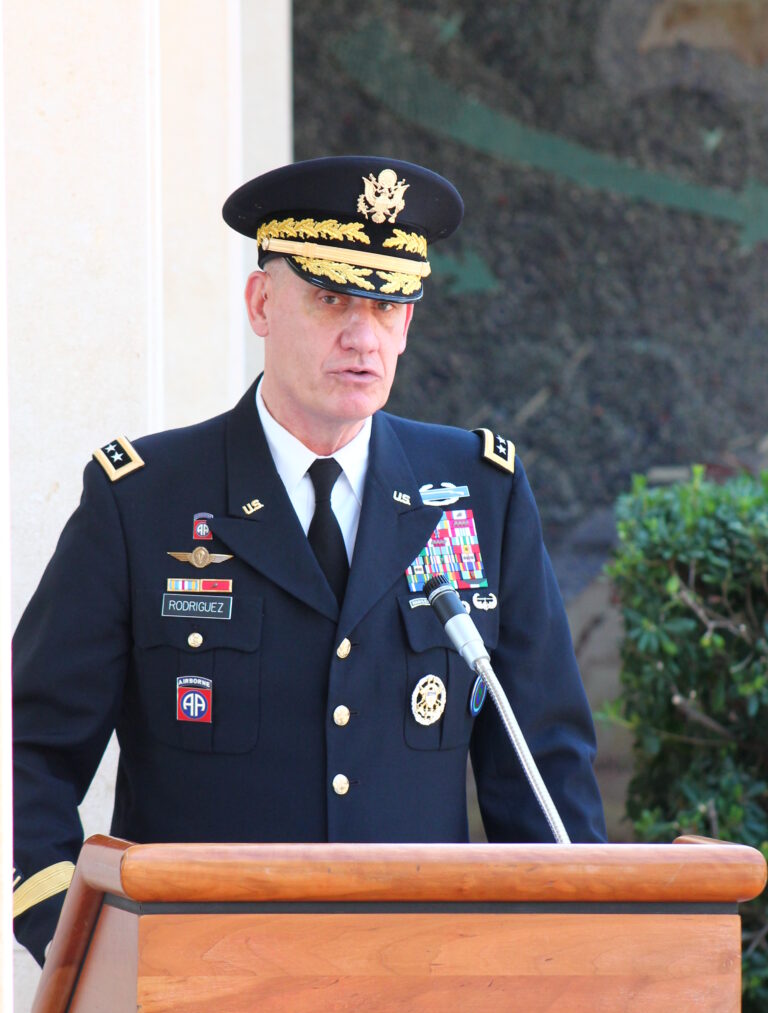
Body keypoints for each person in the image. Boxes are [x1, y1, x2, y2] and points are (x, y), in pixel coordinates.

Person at [12, 155, 606, 966]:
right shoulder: (143, 501)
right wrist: (73, 936)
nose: (362, 335)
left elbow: (540, 757)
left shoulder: (476, 493)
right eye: (331, 299)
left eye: (388, 304)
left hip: (423, 983)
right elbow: (31, 744)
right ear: (262, 303)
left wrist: (572, 954)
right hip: (200, 983)